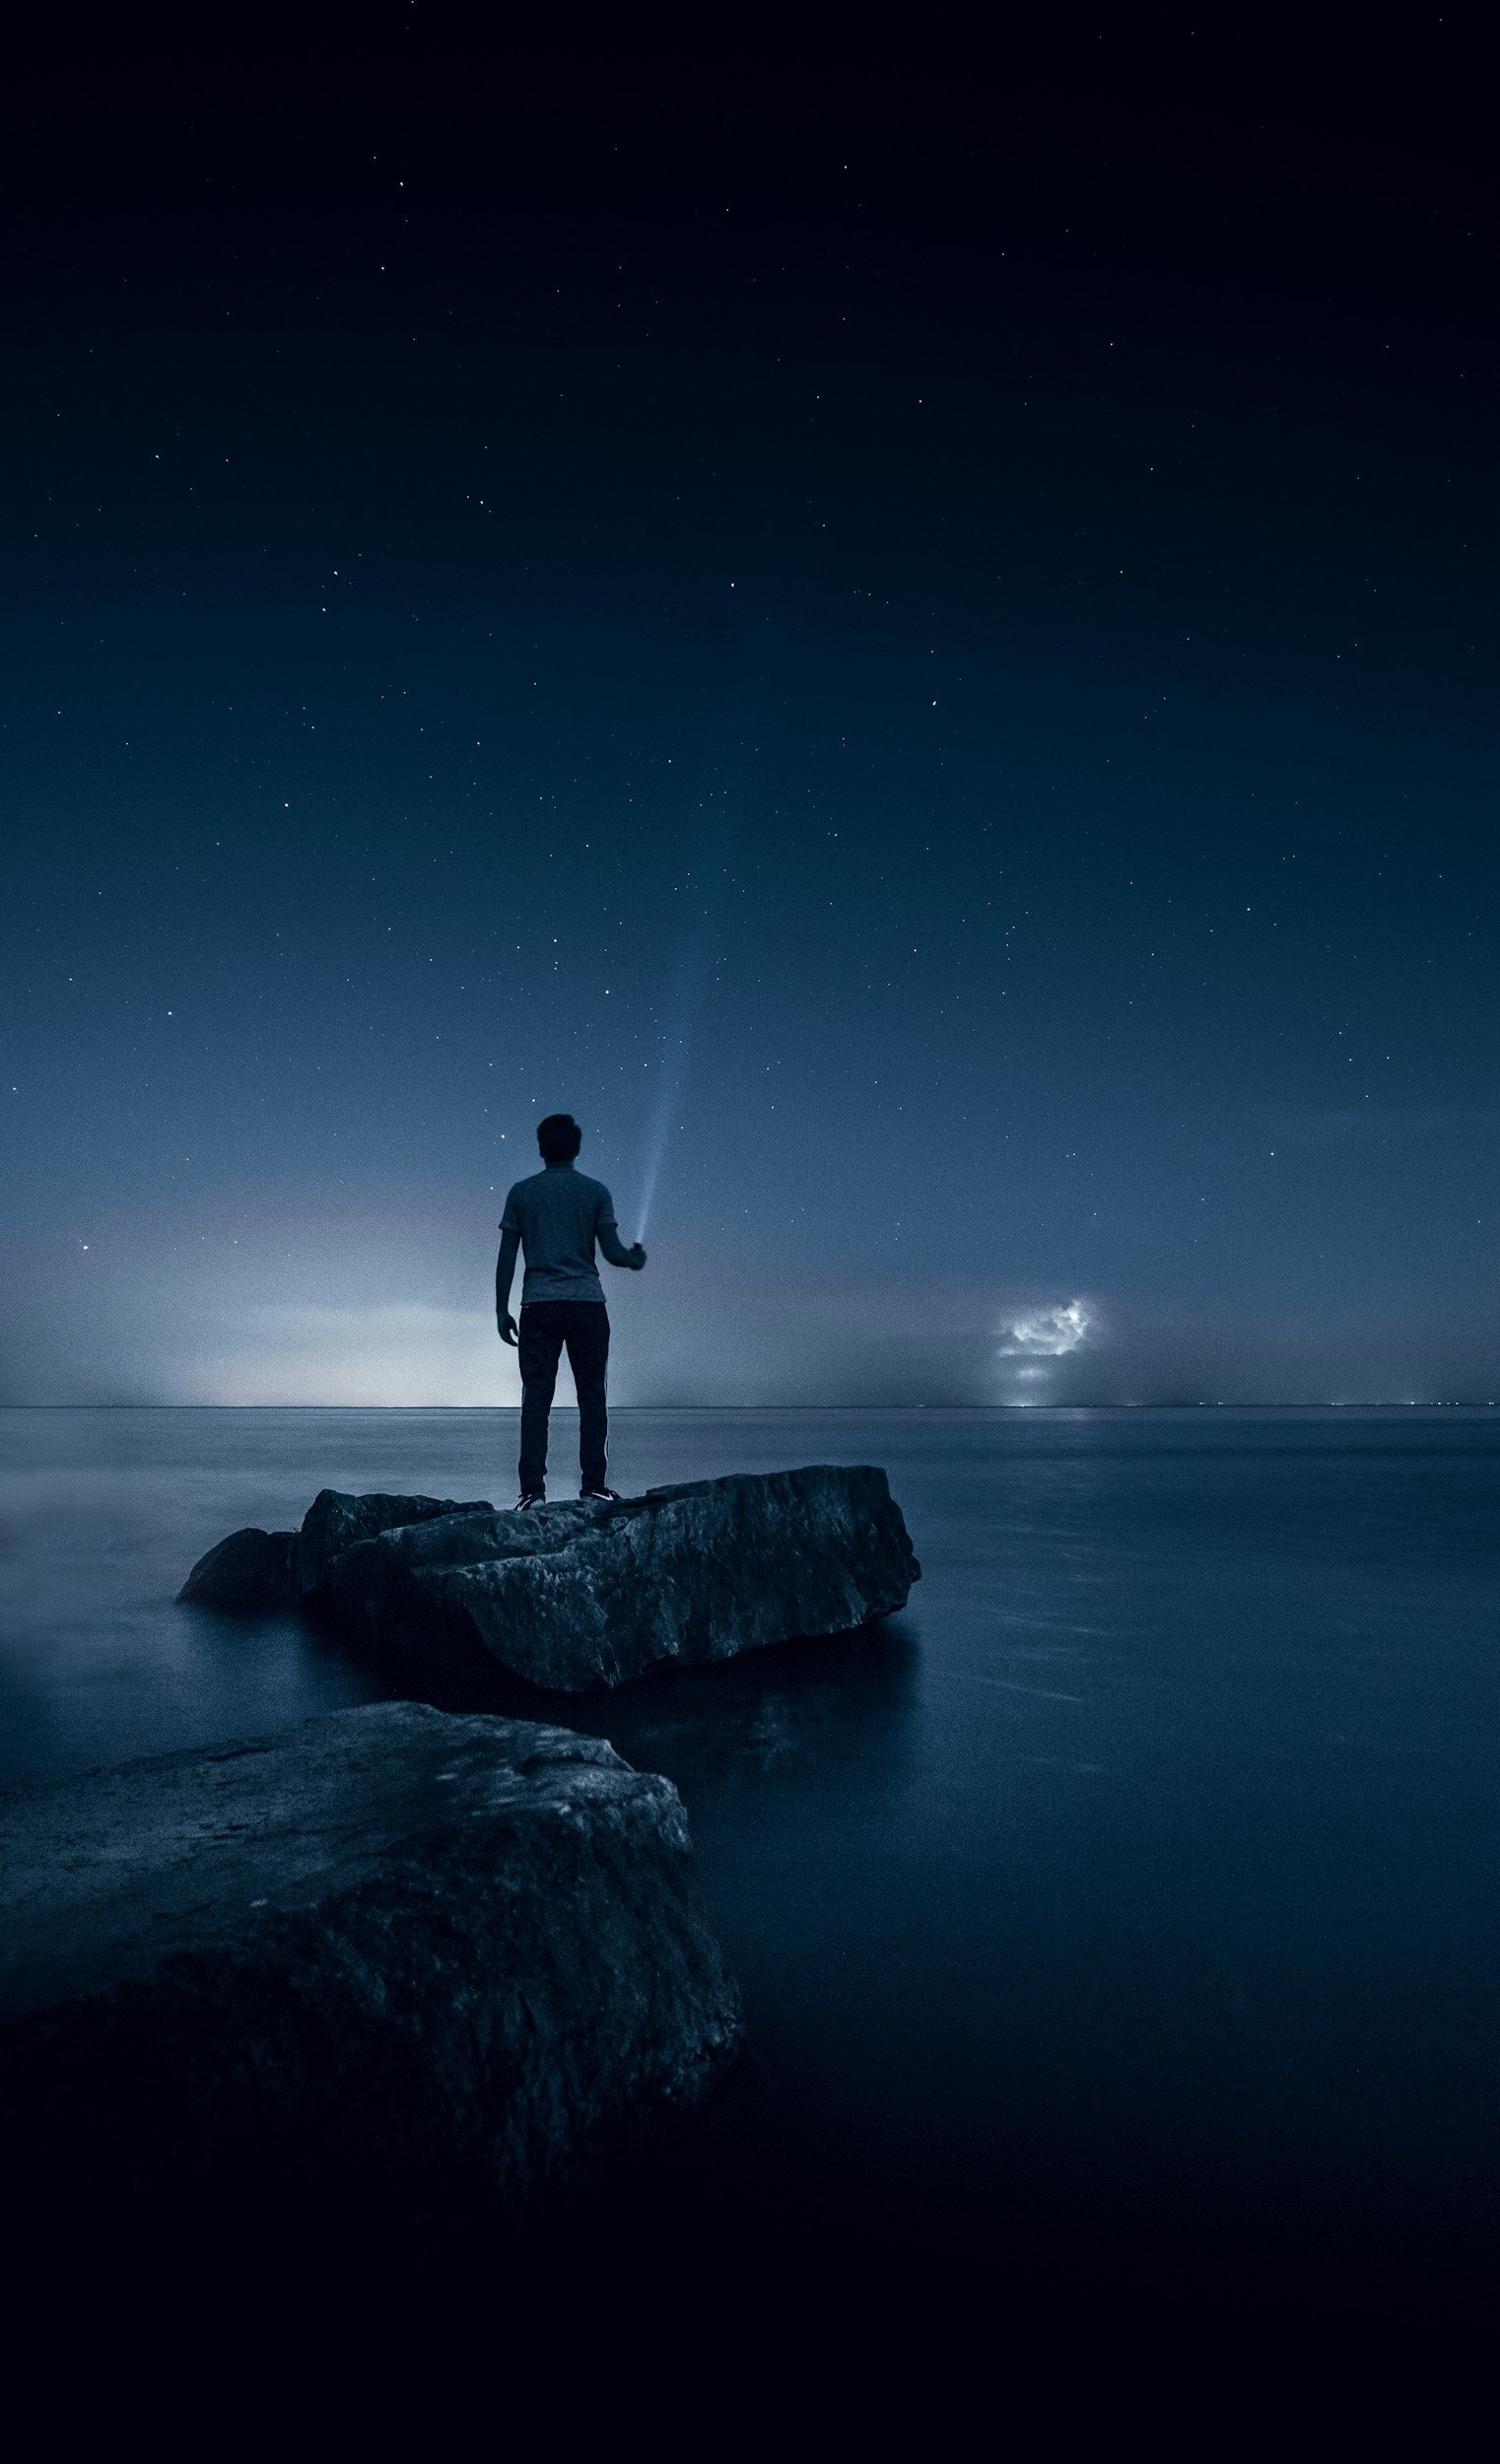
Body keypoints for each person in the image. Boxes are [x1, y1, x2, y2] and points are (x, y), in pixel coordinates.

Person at [496, 1113, 646, 1508]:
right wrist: (635, 1259)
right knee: (592, 1395)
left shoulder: (522, 1192)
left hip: (539, 1305)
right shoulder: (594, 1192)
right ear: (577, 1148)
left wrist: (500, 1309)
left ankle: (533, 1492)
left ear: (541, 1148)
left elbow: (507, 1255)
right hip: (586, 1306)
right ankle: (593, 1485)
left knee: (537, 1398)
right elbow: (613, 1253)